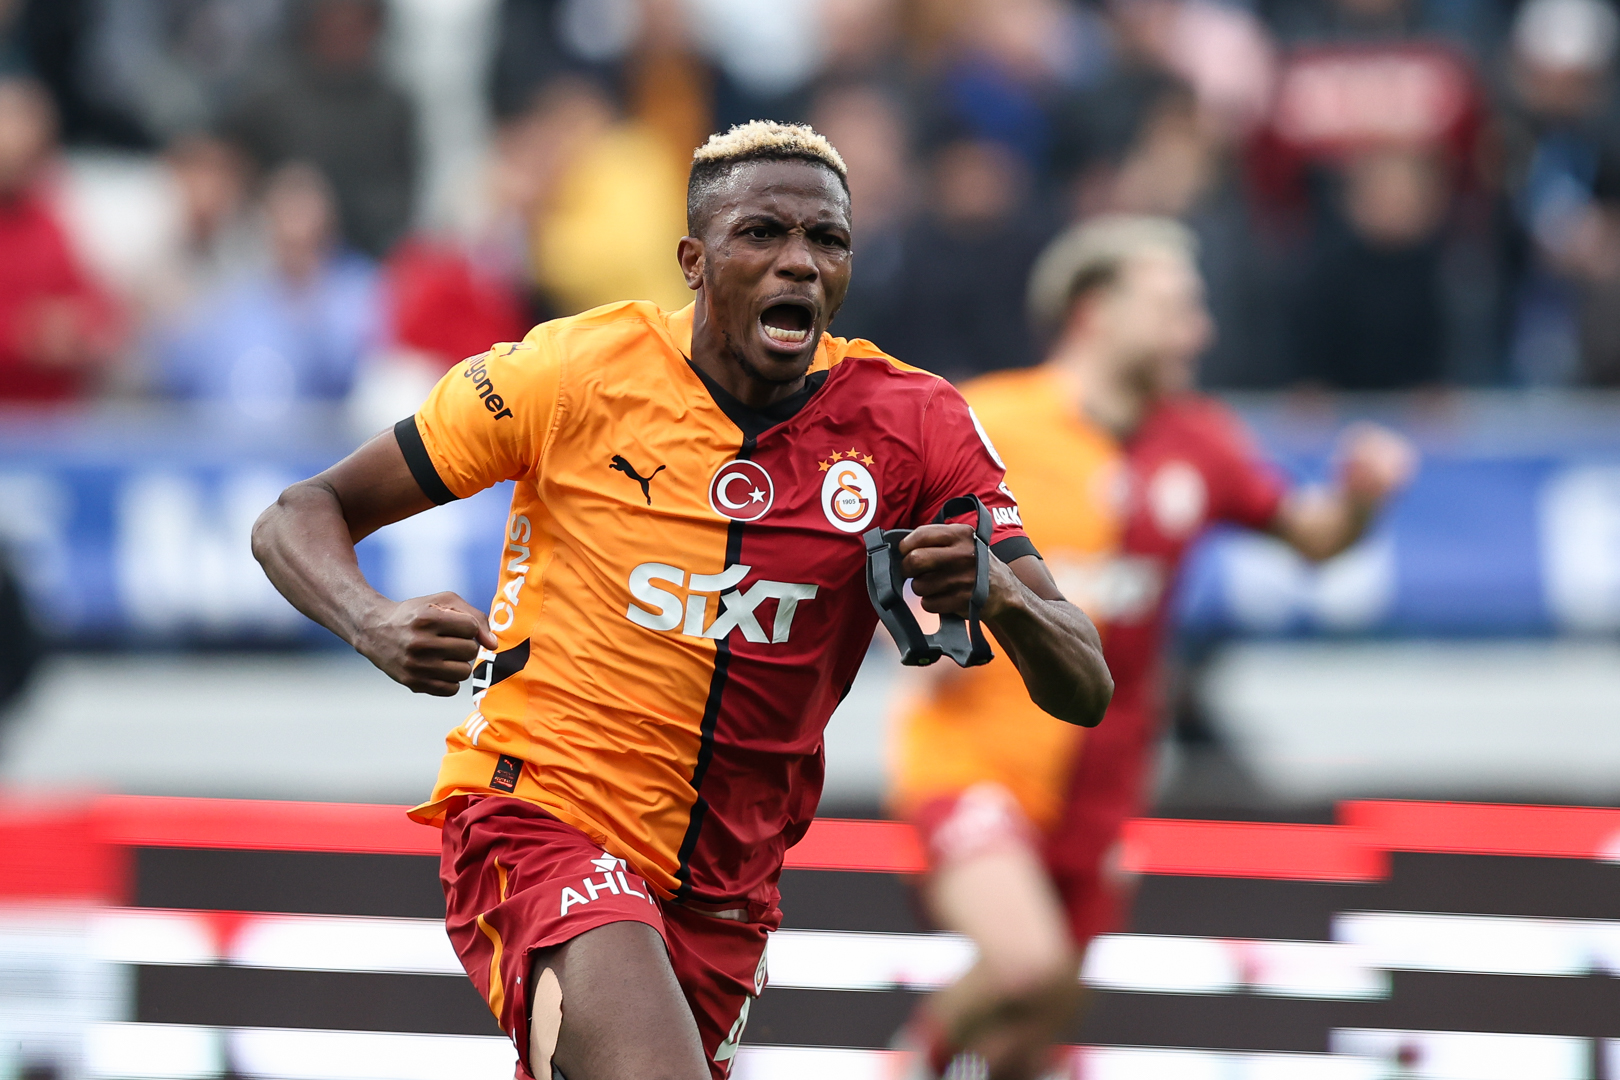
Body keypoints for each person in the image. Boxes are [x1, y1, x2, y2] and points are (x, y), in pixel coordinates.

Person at [251, 120, 1113, 1080]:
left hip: (727, 893)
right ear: (694, 261)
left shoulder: (915, 426)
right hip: (543, 817)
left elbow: (1084, 682)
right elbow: (300, 512)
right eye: (763, 235)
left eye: (826, 241)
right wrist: (373, 621)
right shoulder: (572, 373)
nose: (799, 264)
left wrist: (998, 592)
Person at [889, 215, 1414, 1080]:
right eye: (1176, 307)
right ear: (1095, 311)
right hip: (973, 755)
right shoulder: (992, 418)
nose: (1198, 332)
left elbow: (1313, 539)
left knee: (1039, 1031)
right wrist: (907, 615)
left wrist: (1359, 500)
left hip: (1107, 771)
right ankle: (907, 1064)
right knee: (1030, 965)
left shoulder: (1199, 443)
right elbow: (882, 528)